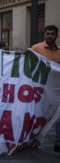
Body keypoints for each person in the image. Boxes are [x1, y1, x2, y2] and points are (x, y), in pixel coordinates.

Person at [31, 25, 60, 153]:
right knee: (38, 113)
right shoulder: (36, 48)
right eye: (47, 34)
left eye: (52, 34)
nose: (49, 36)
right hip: (40, 90)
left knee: (58, 114)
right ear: (44, 34)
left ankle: (58, 142)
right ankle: (32, 137)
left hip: (56, 90)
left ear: (56, 36)